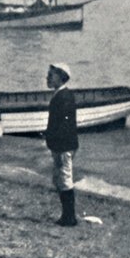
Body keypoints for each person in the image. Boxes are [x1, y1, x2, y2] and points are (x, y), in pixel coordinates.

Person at [45, 62, 80, 226]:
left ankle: (69, 217)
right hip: (62, 145)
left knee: (65, 179)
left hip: (63, 145)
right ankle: (67, 215)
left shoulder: (63, 96)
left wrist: (59, 148)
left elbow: (65, 126)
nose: (48, 78)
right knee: (60, 179)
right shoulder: (61, 95)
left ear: (60, 77)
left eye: (51, 75)